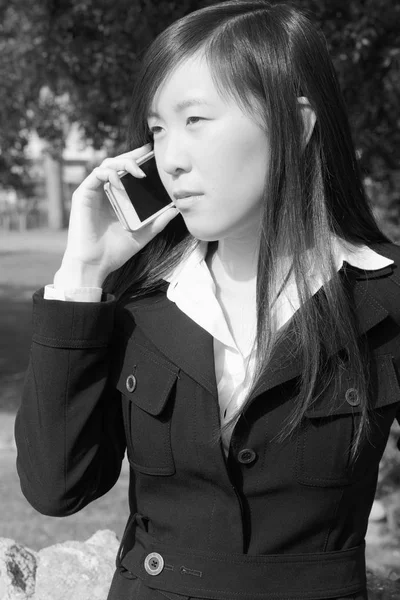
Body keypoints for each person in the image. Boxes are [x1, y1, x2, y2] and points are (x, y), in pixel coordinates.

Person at [14, 1, 400, 599]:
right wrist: (84, 270)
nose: (170, 158)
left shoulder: (382, 294)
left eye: (195, 120)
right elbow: (57, 487)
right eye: (158, 129)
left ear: (296, 126)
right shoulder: (144, 301)